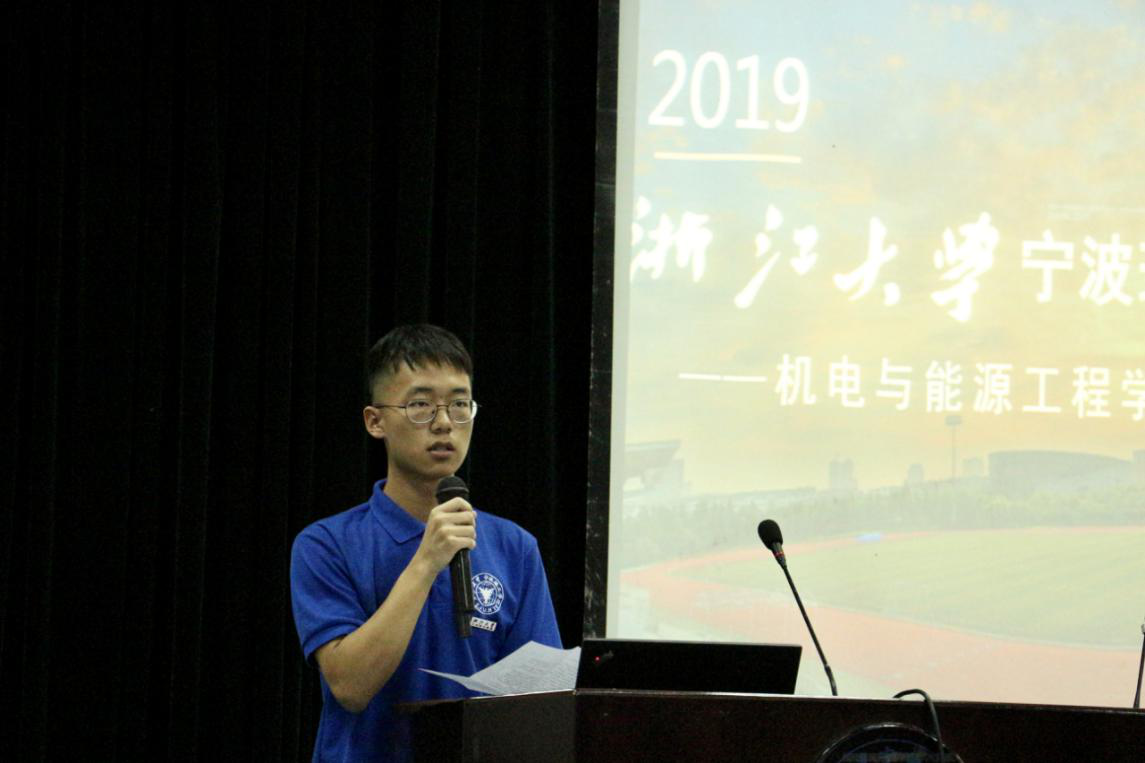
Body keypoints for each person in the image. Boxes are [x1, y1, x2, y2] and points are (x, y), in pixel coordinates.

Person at [290, 324, 562, 762]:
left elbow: (542, 703)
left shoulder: (515, 548)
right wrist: (426, 561)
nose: (443, 423)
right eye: (420, 405)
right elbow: (351, 687)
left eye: (459, 405)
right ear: (375, 421)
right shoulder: (326, 544)